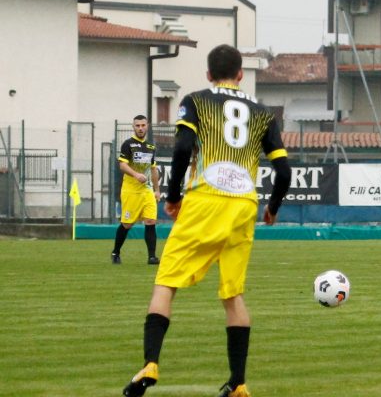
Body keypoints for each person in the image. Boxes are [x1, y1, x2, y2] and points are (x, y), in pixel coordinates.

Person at [122, 44, 292, 397]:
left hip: (205, 198)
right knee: (233, 295)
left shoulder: (197, 100)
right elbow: (284, 170)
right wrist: (272, 207)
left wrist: (172, 197)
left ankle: (150, 363)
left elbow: (183, 149)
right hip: (244, 204)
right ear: (241, 74)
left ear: (208, 74)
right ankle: (239, 383)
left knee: (166, 283)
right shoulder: (263, 112)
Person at [111, 114, 161, 265]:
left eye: (143, 125)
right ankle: (116, 252)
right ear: (133, 127)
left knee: (151, 221)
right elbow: (122, 165)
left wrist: (157, 190)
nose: (140, 128)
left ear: (147, 126)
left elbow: (153, 170)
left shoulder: (151, 147)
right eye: (137, 126)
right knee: (127, 224)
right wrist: (135, 174)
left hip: (146, 190)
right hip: (130, 190)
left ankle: (152, 257)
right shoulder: (128, 144)